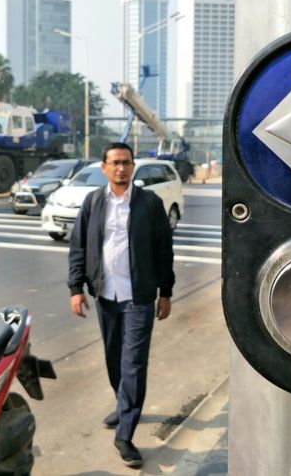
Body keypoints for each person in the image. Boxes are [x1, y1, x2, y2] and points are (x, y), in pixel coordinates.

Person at [68, 142, 175, 468]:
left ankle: (125, 434)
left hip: (138, 297)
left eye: (126, 162)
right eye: (115, 162)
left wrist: (165, 292)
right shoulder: (94, 201)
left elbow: (163, 250)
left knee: (133, 364)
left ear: (133, 167)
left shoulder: (149, 203)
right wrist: (76, 287)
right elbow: (78, 245)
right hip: (105, 295)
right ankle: (123, 403)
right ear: (104, 167)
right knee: (114, 359)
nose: (121, 168)